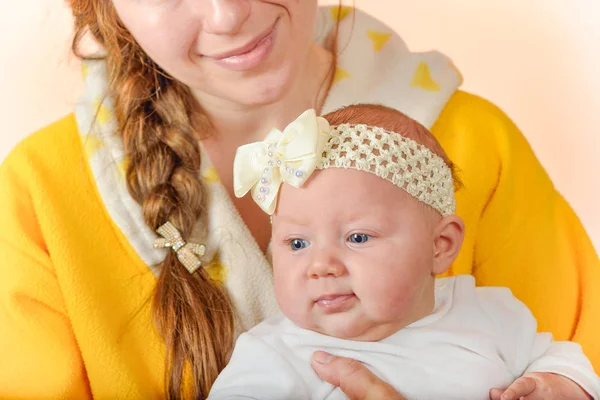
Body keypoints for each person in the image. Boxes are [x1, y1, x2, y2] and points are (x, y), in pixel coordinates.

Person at [0, 1, 598, 399]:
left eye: (361, 236)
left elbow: (575, 359)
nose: (228, 13)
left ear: (445, 241)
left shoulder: (473, 142)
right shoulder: (40, 192)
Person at [208, 105, 600, 400]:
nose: (320, 266)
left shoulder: (490, 315)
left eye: (358, 237)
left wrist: (557, 384)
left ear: (440, 245)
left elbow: (562, 358)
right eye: (297, 244)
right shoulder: (277, 354)